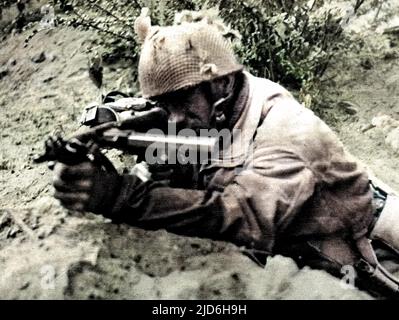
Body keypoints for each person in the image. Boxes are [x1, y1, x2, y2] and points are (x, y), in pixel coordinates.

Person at [51, 12, 399, 297]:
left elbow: (240, 215)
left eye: (182, 103)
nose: (174, 119)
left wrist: (123, 196)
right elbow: (191, 138)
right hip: (301, 244)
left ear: (221, 84)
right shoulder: (227, 102)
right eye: (163, 105)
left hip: (370, 257)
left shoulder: (287, 132)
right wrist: (122, 138)